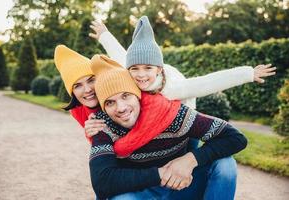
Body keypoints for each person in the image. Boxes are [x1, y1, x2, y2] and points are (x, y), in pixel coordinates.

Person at [85, 15, 276, 151]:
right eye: (134, 69)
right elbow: (120, 56)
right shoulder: (130, 74)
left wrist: (248, 73)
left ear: (158, 69)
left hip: (185, 119)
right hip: (158, 116)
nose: (141, 75)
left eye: (148, 68)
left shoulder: (173, 88)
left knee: (187, 149)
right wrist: (104, 34)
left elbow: (207, 83)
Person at [88, 54, 247, 199]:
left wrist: (190, 160)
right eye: (110, 102)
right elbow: (102, 182)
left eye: (125, 95)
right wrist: (161, 174)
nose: (121, 107)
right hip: (142, 193)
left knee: (225, 165)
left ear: (138, 95)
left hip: (184, 187)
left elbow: (236, 138)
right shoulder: (102, 124)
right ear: (104, 108)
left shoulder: (171, 114)